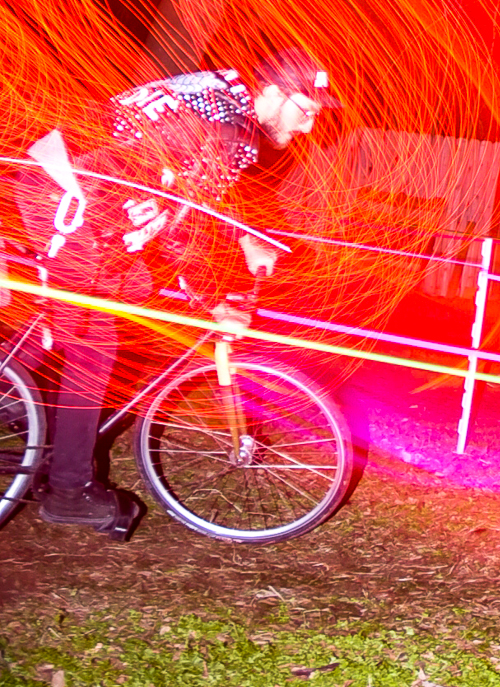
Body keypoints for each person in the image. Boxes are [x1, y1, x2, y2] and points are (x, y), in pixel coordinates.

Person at [14, 48, 336, 532]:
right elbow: (187, 230)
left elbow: (203, 198)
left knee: (133, 289)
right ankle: (67, 490)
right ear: (272, 92)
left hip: (81, 186)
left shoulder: (223, 97)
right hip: (67, 193)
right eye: (305, 110)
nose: (308, 127)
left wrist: (246, 238)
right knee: (94, 343)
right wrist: (216, 302)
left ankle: (27, 409)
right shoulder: (228, 128)